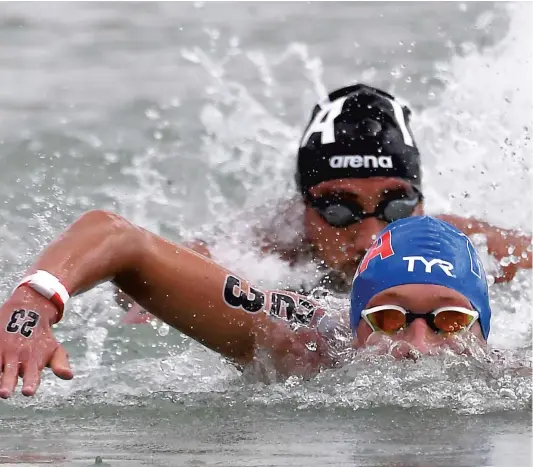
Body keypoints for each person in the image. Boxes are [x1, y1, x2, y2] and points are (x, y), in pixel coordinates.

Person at [118, 83, 531, 322]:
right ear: (303, 209)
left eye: (396, 208)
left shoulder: (462, 247)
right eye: (338, 209)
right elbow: (145, 276)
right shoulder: (263, 252)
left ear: (420, 204)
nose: (370, 237)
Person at [0, 211, 491, 399]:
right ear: (353, 320)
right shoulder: (303, 341)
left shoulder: (512, 381)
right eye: (387, 319)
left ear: (483, 329)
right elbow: (120, 240)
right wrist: (33, 305)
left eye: (450, 321)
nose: (418, 346)